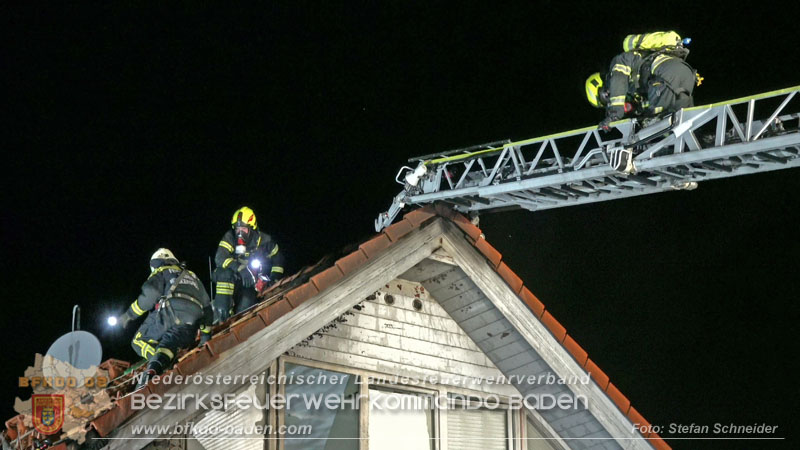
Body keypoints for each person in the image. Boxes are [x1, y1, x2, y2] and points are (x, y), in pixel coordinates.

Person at [117, 248, 213, 390]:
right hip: (191, 325)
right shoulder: (192, 276)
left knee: (138, 341)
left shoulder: (161, 271)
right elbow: (207, 309)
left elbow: (150, 296)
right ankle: (164, 360)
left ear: (156, 264)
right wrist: (205, 337)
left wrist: (128, 315)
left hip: (171, 314)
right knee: (168, 346)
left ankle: (153, 370)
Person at [586, 32, 700, 130]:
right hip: (686, 74)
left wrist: (614, 114)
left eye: (606, 98)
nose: (610, 100)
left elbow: (618, 80)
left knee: (654, 124)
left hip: (664, 74)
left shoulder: (620, 61)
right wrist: (637, 108)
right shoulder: (635, 86)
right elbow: (646, 103)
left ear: (603, 87)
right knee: (684, 123)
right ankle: (705, 139)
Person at [212, 206, 284, 323]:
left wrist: (274, 278)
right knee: (224, 274)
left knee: (245, 309)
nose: (240, 233)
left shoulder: (264, 240)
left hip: (249, 284)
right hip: (231, 278)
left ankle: (236, 322)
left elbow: (278, 258)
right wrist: (240, 269)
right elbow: (220, 258)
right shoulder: (229, 238)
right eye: (237, 229)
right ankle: (221, 313)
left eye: (243, 229)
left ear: (252, 228)